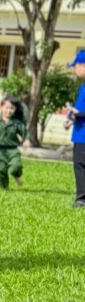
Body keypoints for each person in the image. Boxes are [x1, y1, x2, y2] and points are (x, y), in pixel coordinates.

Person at [65, 51, 85, 207]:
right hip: (79, 132)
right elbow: (79, 108)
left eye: (75, 66)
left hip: (83, 135)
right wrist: (71, 117)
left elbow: (81, 111)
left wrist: (77, 114)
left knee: (80, 166)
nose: (74, 70)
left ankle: (81, 199)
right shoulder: (83, 87)